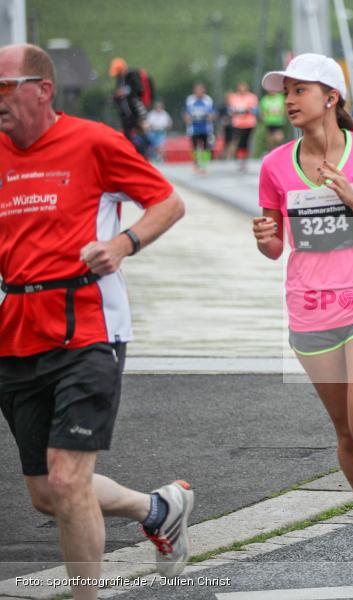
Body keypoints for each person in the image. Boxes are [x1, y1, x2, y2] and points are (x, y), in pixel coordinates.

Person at [0, 44, 190, 600]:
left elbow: (168, 203)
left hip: (89, 330)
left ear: (42, 89)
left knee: (67, 479)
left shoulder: (94, 142)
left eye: (5, 87)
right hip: (16, 332)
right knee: (46, 492)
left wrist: (123, 243)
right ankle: (158, 509)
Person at [253, 53, 353, 588]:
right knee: (346, 432)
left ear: (331, 97)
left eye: (300, 90)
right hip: (310, 308)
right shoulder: (276, 165)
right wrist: (266, 240)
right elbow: (277, 248)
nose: (289, 100)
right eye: (286, 92)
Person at [109, 57, 151, 158]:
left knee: (141, 135)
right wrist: (116, 97)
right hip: (125, 114)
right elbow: (119, 95)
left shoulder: (132, 75)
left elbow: (138, 91)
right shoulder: (119, 79)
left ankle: (143, 156)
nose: (118, 75)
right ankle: (133, 156)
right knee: (127, 137)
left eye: (119, 72)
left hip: (135, 112)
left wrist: (126, 93)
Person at [184, 82, 215, 175]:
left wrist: (210, 117)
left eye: (201, 90)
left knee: (205, 148)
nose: (199, 92)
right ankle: (195, 163)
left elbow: (212, 113)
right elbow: (186, 113)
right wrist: (187, 119)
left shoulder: (208, 100)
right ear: (194, 91)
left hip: (205, 128)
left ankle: (204, 165)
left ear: (204, 91)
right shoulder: (190, 100)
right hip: (194, 128)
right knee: (194, 147)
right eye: (197, 90)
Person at [226, 82, 259, 171]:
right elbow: (230, 110)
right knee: (238, 142)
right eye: (241, 87)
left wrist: (247, 110)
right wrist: (236, 110)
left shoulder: (252, 97)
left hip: (249, 123)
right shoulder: (234, 97)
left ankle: (244, 160)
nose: (242, 89)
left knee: (246, 142)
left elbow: (255, 110)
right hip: (237, 123)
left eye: (244, 87)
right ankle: (240, 159)